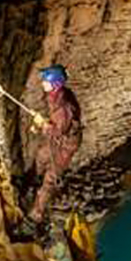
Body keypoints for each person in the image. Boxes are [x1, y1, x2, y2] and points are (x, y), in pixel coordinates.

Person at [30, 65, 83, 224]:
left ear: (56, 84)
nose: (42, 83)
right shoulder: (55, 96)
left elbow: (59, 131)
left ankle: (36, 214)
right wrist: (41, 123)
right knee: (41, 155)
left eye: (46, 81)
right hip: (58, 139)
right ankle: (34, 182)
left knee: (51, 179)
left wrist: (43, 126)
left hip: (66, 145)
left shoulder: (63, 106)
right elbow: (55, 122)